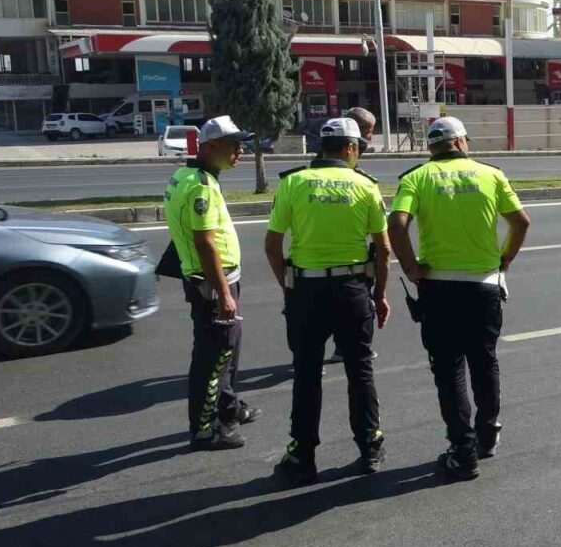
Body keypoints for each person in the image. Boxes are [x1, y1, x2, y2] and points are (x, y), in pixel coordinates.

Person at [388, 116, 531, 481]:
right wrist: (504, 259)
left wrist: (411, 268)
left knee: (449, 369)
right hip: (483, 286)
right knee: (485, 361)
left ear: (432, 146)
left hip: (438, 289)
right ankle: (487, 434)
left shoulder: (416, 178)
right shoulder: (491, 175)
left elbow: (397, 223)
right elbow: (521, 222)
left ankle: (463, 451)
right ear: (461, 142)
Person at [264, 117, 392, 486]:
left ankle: (302, 456)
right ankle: (370, 447)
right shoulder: (365, 185)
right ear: (350, 148)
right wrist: (380, 294)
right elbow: (383, 249)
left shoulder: (293, 183)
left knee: (306, 373)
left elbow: (272, 245)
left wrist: (288, 287)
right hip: (352, 290)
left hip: (306, 292)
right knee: (359, 370)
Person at [162, 115, 261, 451]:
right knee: (215, 357)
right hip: (212, 283)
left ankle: (229, 407)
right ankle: (206, 430)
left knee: (226, 351)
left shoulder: (185, 175)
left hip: (210, 279)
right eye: (234, 145)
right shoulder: (201, 185)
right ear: (212, 146)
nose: (240, 152)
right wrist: (223, 293)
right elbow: (204, 242)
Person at [322, 106, 379, 366]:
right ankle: (351, 349)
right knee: (356, 296)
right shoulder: (348, 148)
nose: (370, 136)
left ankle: (337, 348)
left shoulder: (331, 143)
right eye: (369, 130)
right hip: (344, 235)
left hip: (326, 232)